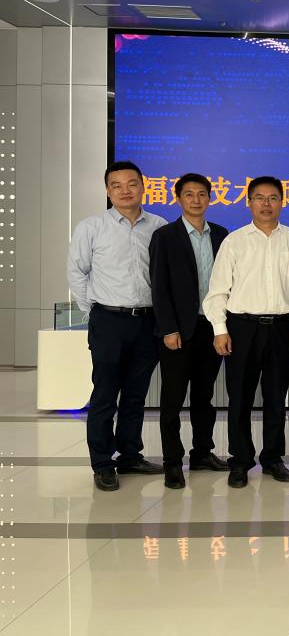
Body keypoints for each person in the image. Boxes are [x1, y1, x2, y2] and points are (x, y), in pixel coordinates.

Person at [67, 161, 167, 492]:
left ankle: (130, 456)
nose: (125, 190)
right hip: (108, 321)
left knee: (136, 395)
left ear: (143, 187)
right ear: (108, 191)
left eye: (131, 183)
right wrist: (94, 310)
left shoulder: (159, 226)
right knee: (105, 394)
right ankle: (102, 463)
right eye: (116, 185)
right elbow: (76, 272)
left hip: (147, 322)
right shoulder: (91, 227)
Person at [203, 176, 289, 489]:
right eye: (259, 198)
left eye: (273, 198)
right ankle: (240, 461)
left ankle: (273, 458)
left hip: (283, 327)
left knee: (276, 397)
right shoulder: (234, 241)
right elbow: (218, 290)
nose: (266, 204)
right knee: (240, 398)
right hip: (242, 328)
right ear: (249, 202)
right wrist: (220, 330)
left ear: (282, 202)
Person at [149, 173, 230, 489]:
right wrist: (168, 328)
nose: (196, 200)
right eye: (189, 194)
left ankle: (202, 453)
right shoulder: (165, 236)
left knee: (204, 397)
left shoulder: (221, 235)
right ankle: (172, 462)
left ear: (210, 198)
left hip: (212, 327)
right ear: (178, 198)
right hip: (178, 332)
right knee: (172, 398)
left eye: (201, 194)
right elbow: (159, 286)